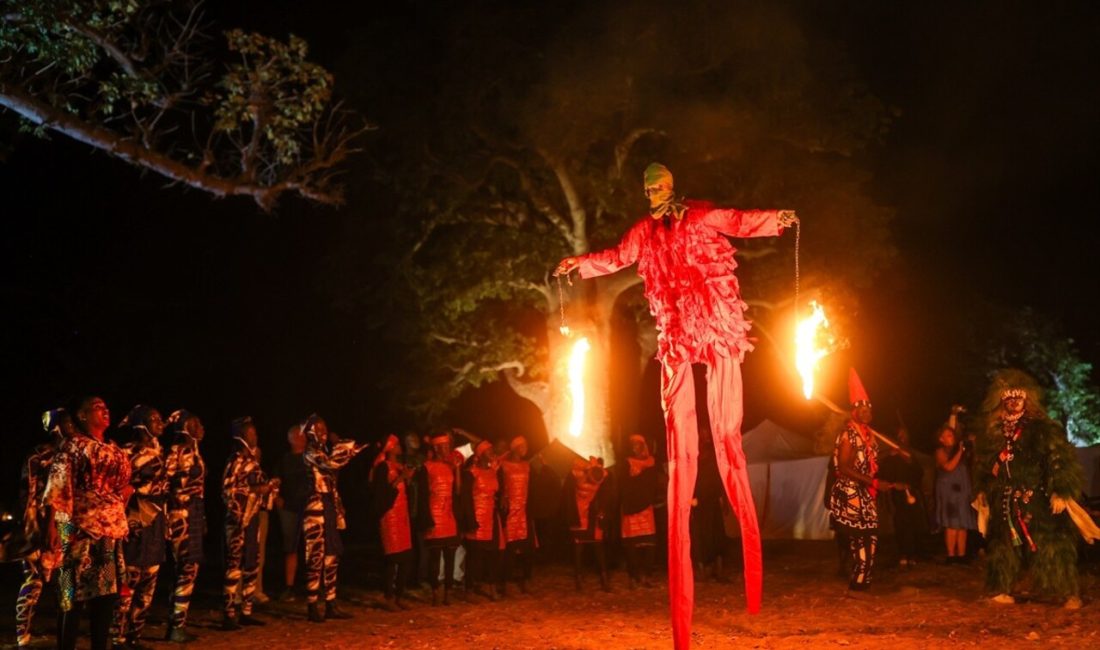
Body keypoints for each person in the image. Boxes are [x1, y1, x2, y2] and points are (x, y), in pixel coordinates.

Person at [555, 162, 797, 648]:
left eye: (660, 186)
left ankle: (751, 578)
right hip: (677, 338)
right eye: (648, 189)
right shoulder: (643, 233)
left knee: (728, 438)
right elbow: (616, 257)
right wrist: (578, 265)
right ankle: (681, 623)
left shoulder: (700, 214)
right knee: (680, 451)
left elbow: (737, 221)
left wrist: (775, 219)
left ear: (672, 187)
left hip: (719, 326)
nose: (653, 194)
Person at [974, 370, 1097, 609]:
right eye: (1008, 398)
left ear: (1027, 399)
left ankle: (1067, 592)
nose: (1013, 402)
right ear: (1001, 400)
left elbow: (1058, 458)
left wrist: (1061, 490)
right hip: (1005, 499)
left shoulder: (1042, 428)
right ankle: (1000, 588)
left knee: (1052, 545)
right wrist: (982, 490)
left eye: (1018, 397)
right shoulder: (993, 432)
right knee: (1002, 545)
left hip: (1037, 497)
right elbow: (984, 464)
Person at [44, 396, 131, 650]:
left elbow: (122, 485)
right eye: (97, 407)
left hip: (107, 532)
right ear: (82, 416)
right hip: (77, 529)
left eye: (106, 406)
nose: (105, 410)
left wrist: (125, 491)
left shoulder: (115, 450)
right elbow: (58, 488)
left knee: (104, 595)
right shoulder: (73, 446)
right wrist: (53, 526)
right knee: (70, 596)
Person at [828, 370, 901, 596]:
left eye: (869, 408)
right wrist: (874, 482)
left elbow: (870, 461)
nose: (867, 412)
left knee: (871, 537)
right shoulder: (848, 435)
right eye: (863, 409)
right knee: (859, 539)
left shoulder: (868, 435)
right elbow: (844, 467)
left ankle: (865, 582)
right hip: (850, 493)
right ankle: (856, 586)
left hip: (866, 493)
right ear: (854, 411)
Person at [112, 405, 169, 650]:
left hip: (155, 522)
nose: (161, 422)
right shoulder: (125, 452)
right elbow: (121, 488)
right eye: (154, 419)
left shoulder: (159, 452)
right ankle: (118, 637)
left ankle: (135, 636)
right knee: (129, 581)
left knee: (150, 580)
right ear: (142, 424)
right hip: (134, 522)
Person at [301, 414, 368, 622]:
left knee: (332, 556)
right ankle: (312, 604)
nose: (323, 432)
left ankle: (330, 603)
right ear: (311, 431)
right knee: (315, 557)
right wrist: (345, 447)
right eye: (319, 429)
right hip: (315, 509)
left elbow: (333, 475)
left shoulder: (323, 451)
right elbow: (331, 465)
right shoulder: (311, 452)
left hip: (328, 506)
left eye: (324, 428)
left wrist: (339, 505)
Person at [13, 409, 70, 648]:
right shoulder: (39, 455)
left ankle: (65, 638)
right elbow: (29, 495)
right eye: (68, 421)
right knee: (33, 581)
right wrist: (33, 530)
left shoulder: (74, 453)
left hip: (66, 523)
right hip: (38, 525)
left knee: (66, 584)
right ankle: (22, 637)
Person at [221, 416, 279, 630]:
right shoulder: (235, 461)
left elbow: (260, 488)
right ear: (241, 436)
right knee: (234, 564)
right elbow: (228, 491)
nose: (255, 437)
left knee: (252, 563)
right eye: (251, 434)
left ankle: (246, 611)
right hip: (237, 521)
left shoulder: (253, 463)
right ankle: (229, 613)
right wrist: (257, 490)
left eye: (256, 433)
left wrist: (270, 487)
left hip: (253, 518)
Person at [163, 409, 207, 643]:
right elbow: (166, 481)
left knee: (188, 568)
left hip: (193, 513)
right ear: (184, 425)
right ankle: (176, 626)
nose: (201, 426)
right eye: (195, 422)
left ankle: (178, 622)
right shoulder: (177, 450)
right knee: (186, 567)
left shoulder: (194, 451)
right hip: (181, 515)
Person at [415, 432, 463, 606]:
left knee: (450, 556)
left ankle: (448, 593)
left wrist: (457, 468)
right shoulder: (427, 467)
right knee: (435, 557)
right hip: (434, 513)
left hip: (449, 514)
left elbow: (457, 491)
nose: (445, 450)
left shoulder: (451, 466)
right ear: (435, 448)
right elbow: (423, 495)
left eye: (447, 446)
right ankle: (436, 592)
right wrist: (426, 519)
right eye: (442, 447)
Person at [370, 435, 415, 611]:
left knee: (405, 557)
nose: (399, 447)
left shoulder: (399, 466)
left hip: (402, 515)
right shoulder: (382, 468)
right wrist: (400, 478)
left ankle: (399, 596)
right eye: (395, 444)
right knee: (392, 558)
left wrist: (407, 478)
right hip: (389, 516)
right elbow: (381, 494)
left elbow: (406, 490)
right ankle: (388, 596)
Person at [877, 425, 927, 568]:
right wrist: (894, 484)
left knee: (914, 523)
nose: (902, 437)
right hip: (896, 495)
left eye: (905, 435)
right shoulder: (890, 456)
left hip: (912, 493)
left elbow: (919, 473)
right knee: (901, 524)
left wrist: (909, 485)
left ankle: (913, 554)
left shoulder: (911, 456)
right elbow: (883, 473)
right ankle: (903, 554)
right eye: (900, 435)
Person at [934, 406, 977, 565]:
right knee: (952, 524)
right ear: (941, 439)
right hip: (949, 492)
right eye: (947, 435)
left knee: (963, 523)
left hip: (962, 491)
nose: (951, 436)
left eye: (951, 434)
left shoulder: (961, 450)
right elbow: (949, 467)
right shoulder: (941, 451)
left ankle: (962, 554)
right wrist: (959, 451)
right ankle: (951, 555)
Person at [563, 456, 612, 592]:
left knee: (598, 545)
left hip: (592, 515)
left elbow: (605, 494)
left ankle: (604, 579)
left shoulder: (602, 476)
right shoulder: (577, 474)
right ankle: (578, 579)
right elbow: (567, 493)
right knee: (579, 548)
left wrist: (602, 510)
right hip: (578, 514)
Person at [462, 440, 502, 600]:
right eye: (488, 450)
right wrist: (470, 521)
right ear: (480, 454)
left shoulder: (493, 471)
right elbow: (466, 499)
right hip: (476, 518)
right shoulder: (471, 472)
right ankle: (469, 589)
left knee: (492, 554)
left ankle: (491, 586)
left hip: (491, 517)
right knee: (474, 556)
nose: (492, 451)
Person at [619, 435, 661, 589]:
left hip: (646, 509)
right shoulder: (626, 464)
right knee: (632, 547)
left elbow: (652, 484)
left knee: (649, 545)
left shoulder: (651, 463)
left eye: (638, 445)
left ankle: (647, 576)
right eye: (633, 445)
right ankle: (633, 577)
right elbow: (623, 485)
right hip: (631, 509)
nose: (635, 448)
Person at [274, 422, 309, 602]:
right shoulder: (285, 460)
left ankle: (312, 586)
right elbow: (275, 481)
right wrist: (276, 497)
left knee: (312, 548)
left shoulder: (310, 458)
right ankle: (289, 587)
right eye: (300, 435)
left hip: (309, 508)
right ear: (291, 439)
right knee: (291, 548)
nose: (304, 437)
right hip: (289, 509)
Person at [498, 436, 535, 596]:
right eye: (523, 445)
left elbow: (531, 487)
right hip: (510, 510)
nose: (526, 448)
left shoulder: (527, 466)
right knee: (509, 549)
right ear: (515, 448)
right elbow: (499, 485)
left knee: (527, 548)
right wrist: (502, 498)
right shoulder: (504, 466)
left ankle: (526, 580)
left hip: (524, 510)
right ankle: (504, 582)